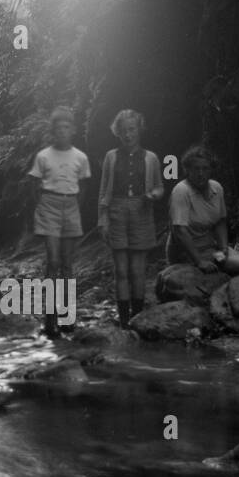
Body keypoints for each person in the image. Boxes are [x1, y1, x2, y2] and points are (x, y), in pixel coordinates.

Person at [27, 106, 91, 336]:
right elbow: (34, 186)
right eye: (58, 128)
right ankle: (50, 318)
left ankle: (68, 315)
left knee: (67, 263)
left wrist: (72, 204)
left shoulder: (80, 157)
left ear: (72, 130)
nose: (63, 132)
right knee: (53, 261)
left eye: (67, 127)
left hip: (71, 205)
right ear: (53, 131)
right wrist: (46, 204)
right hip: (49, 205)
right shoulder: (43, 156)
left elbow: (83, 186)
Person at [97, 108, 164, 327]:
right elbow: (104, 190)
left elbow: (159, 187)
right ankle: (124, 318)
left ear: (139, 130)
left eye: (132, 129)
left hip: (141, 212)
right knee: (121, 269)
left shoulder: (152, 158)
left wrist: (153, 194)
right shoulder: (111, 157)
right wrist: (103, 218)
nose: (128, 135)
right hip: (116, 210)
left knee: (137, 269)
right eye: (123, 130)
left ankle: (137, 315)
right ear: (117, 132)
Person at [166, 145, 239, 275]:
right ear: (188, 170)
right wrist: (199, 262)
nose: (201, 174)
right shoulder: (181, 191)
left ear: (211, 170)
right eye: (196, 169)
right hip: (186, 252)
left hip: (211, 248)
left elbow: (220, 221)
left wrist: (223, 247)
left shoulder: (216, 188)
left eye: (205, 169)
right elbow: (180, 231)